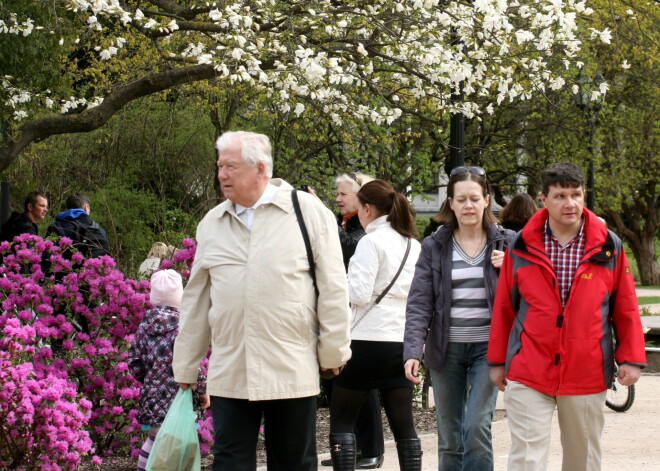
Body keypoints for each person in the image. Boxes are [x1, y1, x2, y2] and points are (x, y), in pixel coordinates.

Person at [172, 131, 352, 471]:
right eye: (219, 166)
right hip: (231, 370)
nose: (222, 174)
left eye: (230, 166)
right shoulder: (212, 223)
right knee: (230, 463)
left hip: (291, 366)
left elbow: (333, 287)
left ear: (260, 169)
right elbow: (197, 300)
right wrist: (186, 365)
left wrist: (333, 351)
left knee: (293, 463)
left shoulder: (307, 211)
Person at [488, 162, 647, 471]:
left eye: (576, 194)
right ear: (543, 199)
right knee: (526, 459)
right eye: (560, 195)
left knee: (582, 459)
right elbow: (505, 307)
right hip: (529, 367)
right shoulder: (520, 246)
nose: (570, 203)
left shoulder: (608, 246)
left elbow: (625, 307)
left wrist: (630, 358)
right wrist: (497, 362)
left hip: (586, 371)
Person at [403, 166, 514, 471]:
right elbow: (419, 303)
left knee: (477, 427)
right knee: (450, 437)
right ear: (450, 202)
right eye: (461, 199)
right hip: (445, 351)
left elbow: (532, 294)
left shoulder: (509, 244)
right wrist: (413, 350)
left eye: (474, 198)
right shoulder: (435, 246)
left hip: (488, 351)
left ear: (486, 200)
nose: (468, 205)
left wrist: (511, 271)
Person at [329, 179, 422, 471]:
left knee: (343, 421)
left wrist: (336, 283)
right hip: (400, 340)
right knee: (404, 426)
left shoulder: (371, 242)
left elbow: (357, 294)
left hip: (366, 340)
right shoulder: (413, 244)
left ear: (367, 208)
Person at [320, 171, 385, 470]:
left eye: (344, 193)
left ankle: (371, 448)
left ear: (364, 198)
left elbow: (346, 247)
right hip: (336, 313)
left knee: (361, 385)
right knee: (338, 386)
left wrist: (323, 219)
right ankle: (345, 449)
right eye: (337, 193)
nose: (338, 198)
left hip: (361, 318)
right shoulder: (344, 223)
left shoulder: (368, 230)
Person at [128, 269, 209, 471]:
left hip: (152, 399)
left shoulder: (144, 327)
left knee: (153, 440)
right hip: (179, 398)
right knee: (178, 445)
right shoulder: (182, 328)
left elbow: (134, 363)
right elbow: (189, 364)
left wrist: (150, 380)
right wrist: (203, 390)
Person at [46, 193, 109, 258]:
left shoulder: (56, 227)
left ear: (68, 209)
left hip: (64, 267)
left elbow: (47, 255)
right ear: (86, 207)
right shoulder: (99, 230)